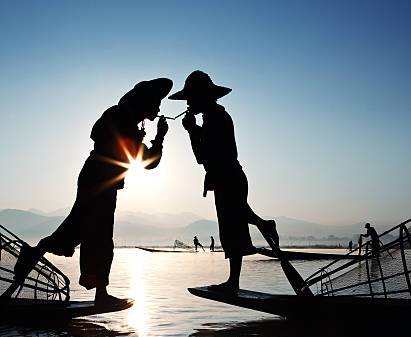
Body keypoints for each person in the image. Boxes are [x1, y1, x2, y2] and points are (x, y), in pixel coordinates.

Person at [13, 78, 173, 306]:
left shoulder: (119, 116)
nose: (158, 109)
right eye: (156, 103)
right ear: (145, 103)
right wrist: (160, 138)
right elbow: (147, 162)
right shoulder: (124, 120)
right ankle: (101, 295)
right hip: (101, 179)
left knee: (78, 229)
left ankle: (34, 254)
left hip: (96, 176)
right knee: (99, 236)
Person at [170, 71, 279, 293]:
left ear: (203, 97)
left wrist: (191, 131)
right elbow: (210, 146)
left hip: (228, 177)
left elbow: (203, 155)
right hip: (230, 177)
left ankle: (233, 282)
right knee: (236, 218)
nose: (189, 103)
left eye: (191, 98)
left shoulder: (215, 118)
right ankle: (264, 225)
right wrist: (195, 129)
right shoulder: (214, 117)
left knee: (232, 229)